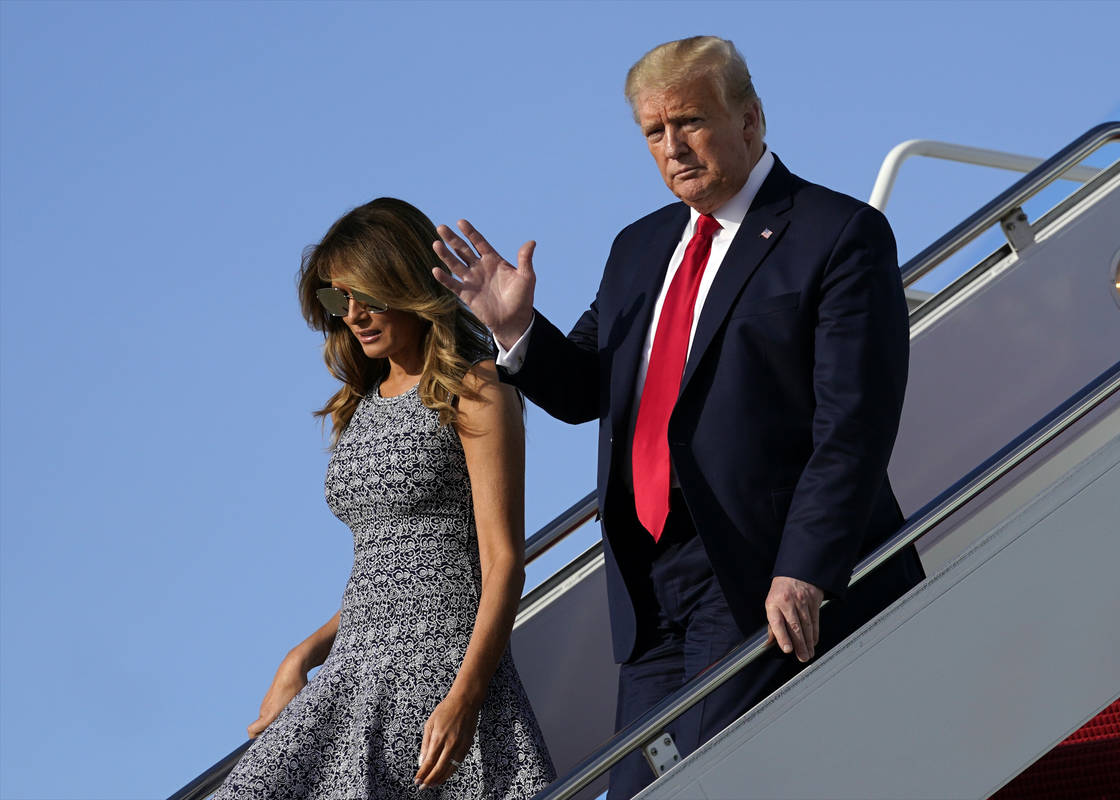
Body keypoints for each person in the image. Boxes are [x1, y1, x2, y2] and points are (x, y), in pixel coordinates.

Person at [432, 36, 926, 799]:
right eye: (654, 132)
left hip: (758, 569)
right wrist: (517, 329)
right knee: (637, 789)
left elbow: (853, 426)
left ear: (750, 120)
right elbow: (586, 391)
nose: (673, 147)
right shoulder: (639, 248)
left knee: (714, 781)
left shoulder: (836, 233)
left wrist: (805, 567)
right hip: (650, 591)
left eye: (690, 121)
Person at [216, 198, 555, 800]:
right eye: (337, 299)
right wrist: (303, 654)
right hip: (354, 669)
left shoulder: (475, 387)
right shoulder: (358, 406)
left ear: (409, 285)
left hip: (440, 667)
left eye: (367, 296)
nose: (353, 315)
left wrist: (466, 697)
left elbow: (503, 561)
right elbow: (387, 569)